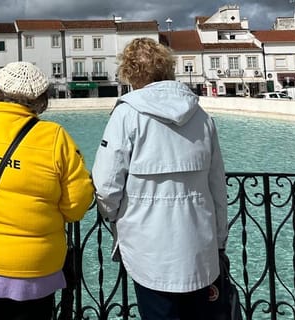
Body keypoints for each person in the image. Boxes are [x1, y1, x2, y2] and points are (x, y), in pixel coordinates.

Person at [91, 38, 228, 320]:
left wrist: (113, 216)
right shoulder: (202, 116)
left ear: (129, 72)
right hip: (199, 247)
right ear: (168, 67)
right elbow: (217, 187)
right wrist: (219, 241)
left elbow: (106, 184)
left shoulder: (126, 114)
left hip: (148, 249)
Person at [0, 61, 94, 320]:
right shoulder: (54, 138)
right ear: (40, 99)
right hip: (32, 270)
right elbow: (76, 207)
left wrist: (1, 83)